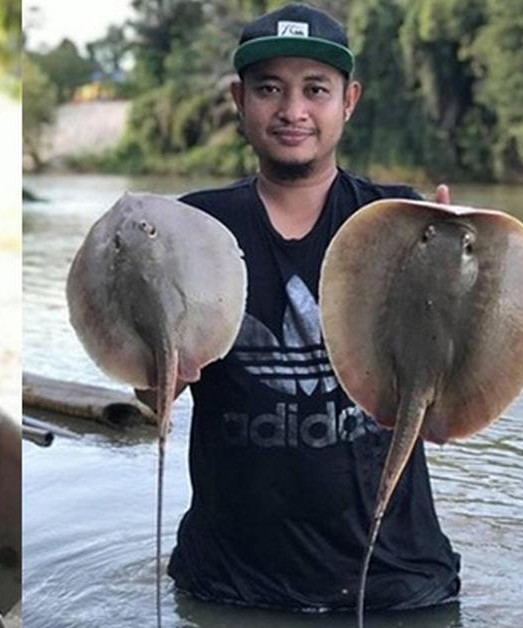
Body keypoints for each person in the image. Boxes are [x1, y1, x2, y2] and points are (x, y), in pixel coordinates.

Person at [162, 2, 461, 614]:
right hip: (228, 586)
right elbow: (153, 396)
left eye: (315, 90)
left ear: (348, 101)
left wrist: (457, 260)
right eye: (269, 88)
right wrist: (158, 379)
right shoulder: (192, 227)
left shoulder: (399, 221)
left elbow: (449, 400)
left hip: (397, 585)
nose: (293, 110)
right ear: (238, 99)